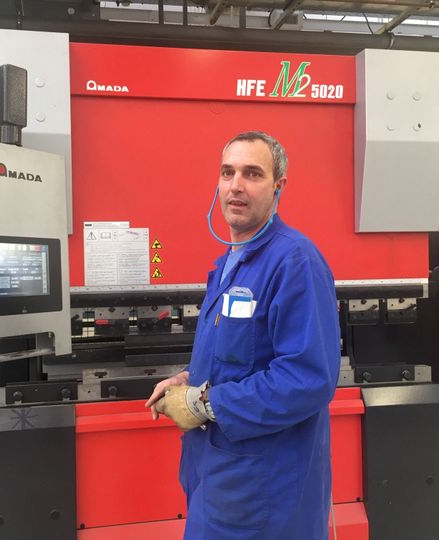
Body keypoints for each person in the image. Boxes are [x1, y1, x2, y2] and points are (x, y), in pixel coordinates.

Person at [145, 131, 341, 539]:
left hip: (266, 495)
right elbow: (236, 355)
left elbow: (307, 379)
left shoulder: (294, 261)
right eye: (227, 172)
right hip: (217, 481)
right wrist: (188, 380)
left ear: (278, 187)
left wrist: (202, 403)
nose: (236, 185)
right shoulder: (228, 265)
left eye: (252, 173)